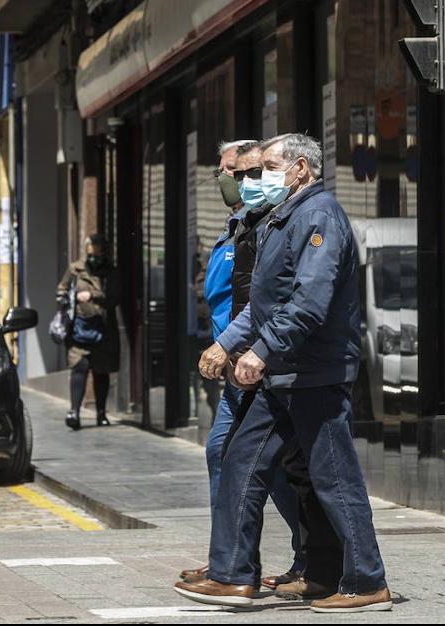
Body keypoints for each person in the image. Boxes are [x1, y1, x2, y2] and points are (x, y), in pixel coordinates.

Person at [175, 133, 391, 613]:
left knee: (334, 478)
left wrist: (262, 352)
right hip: (283, 376)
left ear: (300, 169)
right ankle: (233, 577)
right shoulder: (281, 219)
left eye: (268, 167)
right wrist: (226, 344)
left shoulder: (317, 216)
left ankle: (366, 581)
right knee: (240, 462)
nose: (258, 177)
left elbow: (309, 302)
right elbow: (262, 304)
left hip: (313, 373)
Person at [182, 140, 307, 588]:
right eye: (230, 174)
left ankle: (248, 566)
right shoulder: (240, 224)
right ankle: (229, 561)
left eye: (238, 173)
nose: (232, 182)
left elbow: (285, 301)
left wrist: (250, 349)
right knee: (238, 457)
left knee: (261, 462)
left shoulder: (282, 222)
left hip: (261, 362)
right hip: (239, 358)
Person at [57, 235, 119, 430]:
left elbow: (114, 298)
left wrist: (92, 295)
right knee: (80, 366)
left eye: (98, 250)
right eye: (91, 250)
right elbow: (62, 290)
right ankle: (74, 411)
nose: (94, 255)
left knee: (101, 370)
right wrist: (68, 300)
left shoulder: (110, 272)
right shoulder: (75, 269)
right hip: (79, 329)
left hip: (103, 329)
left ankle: (101, 413)